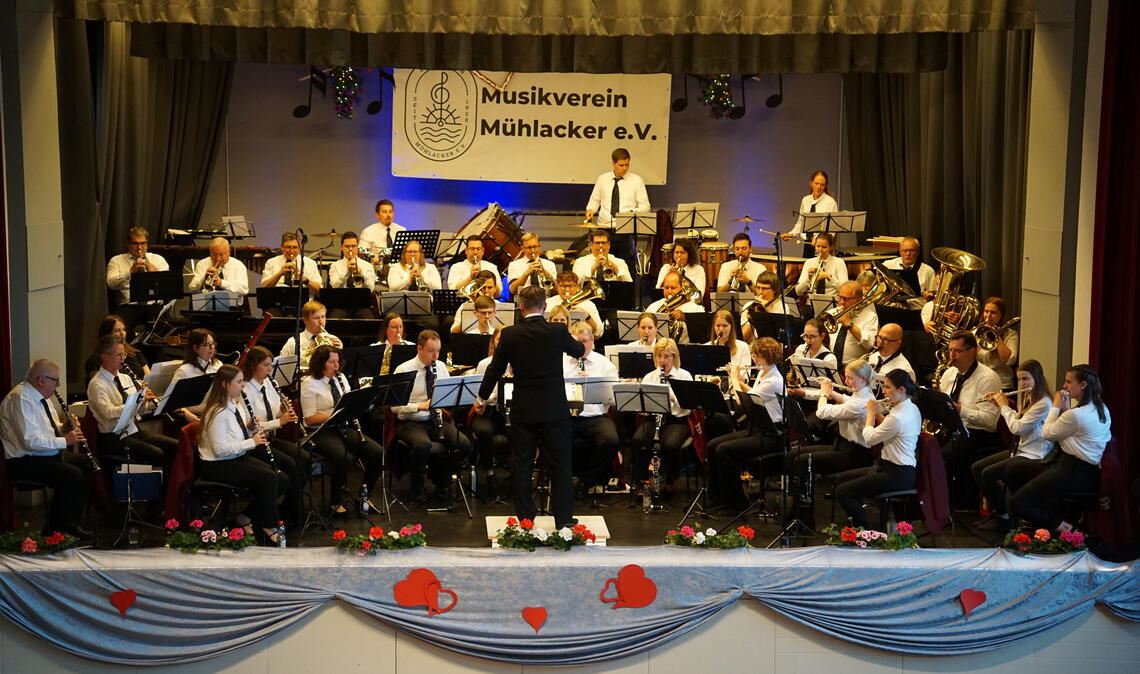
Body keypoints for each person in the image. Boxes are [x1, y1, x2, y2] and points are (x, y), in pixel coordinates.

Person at [474, 285, 586, 529]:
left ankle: (526, 518)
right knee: (560, 463)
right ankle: (563, 519)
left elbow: (495, 369)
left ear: (521, 307)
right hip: (554, 408)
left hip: (524, 408)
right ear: (545, 306)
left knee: (522, 464)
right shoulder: (557, 331)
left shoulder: (510, 334)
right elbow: (579, 350)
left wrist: (481, 399)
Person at [1009, 364, 1112, 533]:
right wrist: (1065, 411)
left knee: (1017, 503)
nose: (1064, 386)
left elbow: (1046, 433)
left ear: (1083, 385)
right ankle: (1040, 520)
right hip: (1085, 470)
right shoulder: (1101, 408)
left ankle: (1067, 528)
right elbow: (1075, 431)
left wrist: (1055, 407)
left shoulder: (1076, 415)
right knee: (1015, 469)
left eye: (1068, 382)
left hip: (1073, 471)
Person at [1, 360, 92, 536]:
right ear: (41, 380)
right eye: (55, 380)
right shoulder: (20, 399)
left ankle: (69, 523)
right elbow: (31, 441)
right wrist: (65, 441)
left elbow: (48, 429)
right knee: (71, 475)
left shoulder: (42, 397)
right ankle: (54, 532)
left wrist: (64, 427)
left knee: (86, 463)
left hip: (43, 456)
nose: (57, 385)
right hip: (22, 461)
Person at [197, 364, 286, 544]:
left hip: (234, 458)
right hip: (216, 465)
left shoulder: (234, 404)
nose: (243, 386)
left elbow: (236, 435)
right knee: (268, 478)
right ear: (225, 384)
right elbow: (220, 450)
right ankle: (268, 525)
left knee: (280, 478)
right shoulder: (218, 412)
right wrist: (251, 442)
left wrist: (252, 433)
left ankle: (246, 517)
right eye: (238, 382)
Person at [299, 345, 384, 515]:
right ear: (320, 363)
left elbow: (349, 402)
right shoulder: (309, 384)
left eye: (338, 361)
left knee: (377, 452)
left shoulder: (341, 378)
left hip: (342, 427)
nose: (336, 366)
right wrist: (336, 413)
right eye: (331, 362)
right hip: (321, 431)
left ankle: (364, 496)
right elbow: (310, 418)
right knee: (340, 455)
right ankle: (336, 501)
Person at [971, 359, 1053, 532]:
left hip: (1034, 454)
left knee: (988, 474)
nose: (1022, 383)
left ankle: (1005, 517)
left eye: (1026, 379)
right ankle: (1002, 512)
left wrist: (1003, 407)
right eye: (1020, 379)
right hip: (1021, 449)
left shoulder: (1044, 403)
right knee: (977, 467)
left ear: (1037, 378)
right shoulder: (1031, 397)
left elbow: (1017, 428)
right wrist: (1003, 406)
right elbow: (1020, 420)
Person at [834, 369, 922, 528]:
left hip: (897, 474)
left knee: (844, 492)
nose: (884, 391)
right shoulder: (911, 408)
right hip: (893, 468)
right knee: (842, 479)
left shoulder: (898, 416)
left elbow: (869, 439)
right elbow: (890, 428)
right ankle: (856, 524)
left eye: (888, 387)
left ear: (901, 390)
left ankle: (866, 534)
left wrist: (870, 415)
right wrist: (877, 414)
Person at [392, 330, 472, 505]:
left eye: (438, 350)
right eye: (431, 351)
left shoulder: (441, 367)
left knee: (464, 444)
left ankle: (442, 482)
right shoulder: (404, 370)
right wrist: (419, 405)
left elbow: (448, 395)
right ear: (419, 349)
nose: (435, 355)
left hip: (436, 420)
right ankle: (417, 488)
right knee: (423, 445)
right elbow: (395, 407)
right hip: (411, 422)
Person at [707, 338, 785, 512]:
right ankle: (717, 496)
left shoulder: (774, 381)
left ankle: (736, 502)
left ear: (767, 357)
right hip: (756, 429)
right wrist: (733, 378)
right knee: (713, 445)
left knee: (724, 450)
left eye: (757, 356)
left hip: (771, 435)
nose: (754, 359)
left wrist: (735, 378)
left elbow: (741, 401)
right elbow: (752, 393)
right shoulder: (765, 373)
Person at [86, 336, 178, 469]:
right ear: (105, 357)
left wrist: (145, 401)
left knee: (175, 446)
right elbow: (108, 413)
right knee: (157, 454)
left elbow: (138, 412)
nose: (123, 358)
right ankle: (156, 488)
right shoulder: (97, 384)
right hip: (112, 438)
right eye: (118, 355)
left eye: (123, 354)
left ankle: (172, 488)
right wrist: (137, 400)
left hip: (132, 430)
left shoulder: (126, 378)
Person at [241, 346, 308, 526]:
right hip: (254, 443)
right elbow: (249, 425)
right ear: (254, 365)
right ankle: (254, 513)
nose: (270, 370)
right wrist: (280, 422)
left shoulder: (269, 383)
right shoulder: (243, 389)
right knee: (290, 466)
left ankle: (289, 508)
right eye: (266, 365)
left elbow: (275, 412)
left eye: (271, 365)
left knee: (305, 458)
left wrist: (282, 411)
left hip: (270, 439)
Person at [564, 322, 621, 500]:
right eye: (576, 342)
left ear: (592, 341)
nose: (581, 346)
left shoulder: (604, 364)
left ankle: (586, 481)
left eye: (585, 341)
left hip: (595, 415)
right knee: (553, 438)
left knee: (611, 441)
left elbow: (613, 398)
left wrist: (595, 386)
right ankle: (562, 483)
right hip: (568, 415)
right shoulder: (561, 362)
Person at [629, 338, 694, 490]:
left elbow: (688, 408)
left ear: (674, 357)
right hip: (653, 419)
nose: (662, 360)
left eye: (667, 356)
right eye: (659, 356)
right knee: (638, 440)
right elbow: (643, 409)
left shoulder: (684, 376)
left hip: (677, 420)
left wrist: (672, 398)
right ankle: (642, 482)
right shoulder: (650, 377)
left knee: (670, 444)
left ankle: (671, 480)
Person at [938, 330, 1002, 477]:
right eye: (950, 350)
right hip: (952, 428)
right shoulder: (949, 373)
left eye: (957, 351)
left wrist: (961, 410)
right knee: (921, 448)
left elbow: (991, 421)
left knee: (941, 457)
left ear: (972, 351)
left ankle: (954, 498)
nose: (952, 356)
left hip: (976, 432)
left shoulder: (988, 378)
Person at [471, 328, 510, 498]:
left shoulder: (517, 362)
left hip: (510, 411)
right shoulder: (485, 364)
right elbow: (477, 393)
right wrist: (491, 397)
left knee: (522, 431)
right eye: (499, 339)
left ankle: (518, 474)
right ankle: (489, 473)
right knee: (484, 431)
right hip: (488, 410)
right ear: (493, 341)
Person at [167, 328, 224, 423]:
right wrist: (188, 416)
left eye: (213, 344)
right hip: (193, 418)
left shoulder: (218, 365)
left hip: (214, 415)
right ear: (195, 348)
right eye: (206, 345)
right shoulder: (184, 371)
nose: (211, 347)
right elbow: (172, 403)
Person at [584, 147, 650, 224]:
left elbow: (645, 207)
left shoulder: (637, 180)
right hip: (604, 226)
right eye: (621, 165)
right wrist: (590, 210)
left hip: (626, 226)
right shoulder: (602, 179)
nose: (624, 168)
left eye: (627, 165)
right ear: (613, 163)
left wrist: (631, 212)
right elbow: (595, 200)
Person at [105, 226, 170, 305]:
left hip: (156, 307)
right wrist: (130, 273)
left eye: (142, 243)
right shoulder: (116, 260)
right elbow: (111, 284)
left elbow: (167, 287)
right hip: (128, 308)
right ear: (128, 244)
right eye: (135, 244)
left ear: (147, 243)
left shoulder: (158, 259)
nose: (139, 247)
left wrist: (155, 274)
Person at [279, 300, 344, 370]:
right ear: (305, 320)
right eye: (316, 318)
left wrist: (339, 351)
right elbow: (283, 369)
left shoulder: (332, 340)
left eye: (323, 317)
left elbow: (337, 368)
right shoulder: (293, 342)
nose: (321, 322)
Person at [326, 231, 378, 319]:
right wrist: (346, 272)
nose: (350, 249)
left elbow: (371, 288)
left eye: (353, 246)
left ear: (357, 247)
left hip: (361, 305)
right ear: (341, 248)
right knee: (335, 320)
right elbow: (334, 286)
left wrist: (361, 273)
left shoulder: (367, 265)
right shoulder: (335, 266)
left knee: (370, 321)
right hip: (340, 305)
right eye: (347, 246)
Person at [783, 170, 839, 249]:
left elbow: (832, 230)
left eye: (822, 185)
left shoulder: (830, 203)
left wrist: (819, 239)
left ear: (825, 186)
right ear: (811, 183)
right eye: (816, 183)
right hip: (807, 244)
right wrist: (791, 234)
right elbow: (801, 223)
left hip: (822, 246)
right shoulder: (805, 200)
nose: (819, 187)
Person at [84, 315, 150, 381]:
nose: (122, 334)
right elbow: (101, 384)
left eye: (124, 330)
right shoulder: (95, 360)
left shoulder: (135, 353)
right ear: (107, 334)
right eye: (117, 331)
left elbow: (149, 379)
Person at [828, 281, 879, 366]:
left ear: (859, 300)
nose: (842, 302)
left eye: (846, 299)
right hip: (830, 363)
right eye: (840, 298)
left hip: (854, 368)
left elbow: (870, 345)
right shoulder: (832, 313)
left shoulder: (870, 317)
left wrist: (849, 325)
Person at [645, 270, 703, 343]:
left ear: (682, 288)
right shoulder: (654, 306)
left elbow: (702, 330)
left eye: (673, 288)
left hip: (685, 350)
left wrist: (686, 317)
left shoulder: (695, 308)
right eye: (666, 288)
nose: (669, 291)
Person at [976, 296, 1020, 389]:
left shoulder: (1011, 335)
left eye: (993, 313)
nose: (988, 316)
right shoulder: (977, 332)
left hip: (1002, 385)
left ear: (1001, 315)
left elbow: (1009, 360)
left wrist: (995, 336)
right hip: (980, 383)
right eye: (986, 311)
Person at [741, 271, 795, 342]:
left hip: (773, 347)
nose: (760, 292)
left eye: (764, 288)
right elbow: (744, 338)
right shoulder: (749, 306)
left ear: (775, 290)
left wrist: (765, 312)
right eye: (758, 287)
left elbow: (779, 337)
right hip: (753, 346)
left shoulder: (782, 307)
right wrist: (753, 316)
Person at [544, 272, 603, 336]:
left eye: (571, 286)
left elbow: (598, 333)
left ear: (577, 287)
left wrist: (587, 316)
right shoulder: (548, 303)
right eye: (563, 286)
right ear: (557, 287)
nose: (567, 289)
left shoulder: (589, 305)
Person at [882, 237, 936, 306]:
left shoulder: (928, 271)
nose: (908, 254)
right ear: (900, 252)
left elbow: (933, 296)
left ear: (918, 252)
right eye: (905, 250)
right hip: (893, 308)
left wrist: (929, 296)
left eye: (912, 250)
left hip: (916, 310)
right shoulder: (887, 265)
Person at [794, 233, 847, 298]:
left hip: (833, 301)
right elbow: (798, 292)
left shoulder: (839, 262)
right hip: (811, 302)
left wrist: (830, 277)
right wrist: (808, 278)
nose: (820, 250)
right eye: (818, 246)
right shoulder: (809, 262)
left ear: (830, 247)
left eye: (824, 247)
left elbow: (845, 290)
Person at [507, 232, 559, 297]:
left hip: (546, 302)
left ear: (539, 246)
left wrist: (549, 276)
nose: (533, 251)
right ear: (522, 248)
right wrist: (526, 274)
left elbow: (557, 291)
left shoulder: (549, 264)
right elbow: (513, 290)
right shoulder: (514, 265)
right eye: (529, 247)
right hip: (523, 302)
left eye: (535, 247)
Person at [359, 199, 407, 266]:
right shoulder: (368, 231)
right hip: (378, 267)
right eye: (384, 212)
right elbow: (361, 252)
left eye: (391, 212)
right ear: (377, 215)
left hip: (399, 268)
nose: (388, 215)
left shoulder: (401, 230)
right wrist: (372, 257)